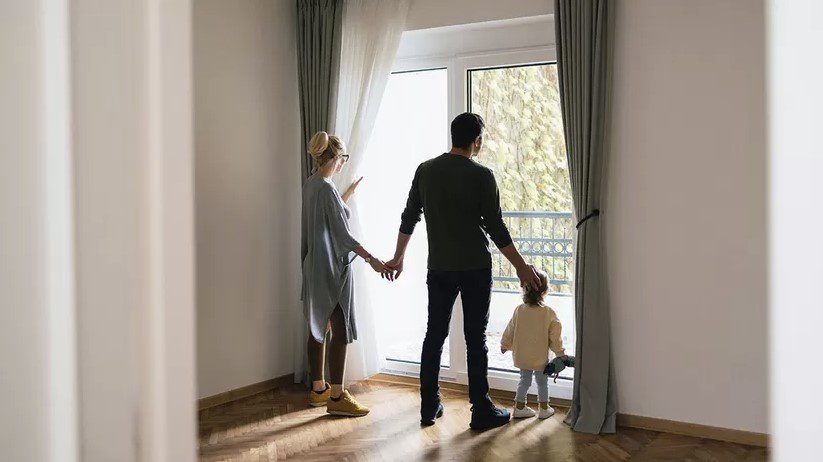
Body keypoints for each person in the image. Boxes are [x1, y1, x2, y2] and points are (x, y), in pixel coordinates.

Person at [386, 112, 541, 430]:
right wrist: (522, 268)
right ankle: (481, 410)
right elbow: (496, 229)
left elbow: (409, 216)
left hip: (439, 268)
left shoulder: (426, 171)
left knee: (434, 336)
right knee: (475, 339)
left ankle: (429, 406)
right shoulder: (482, 176)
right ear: (477, 141)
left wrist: (398, 257)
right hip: (475, 269)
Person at [301, 131, 392, 417]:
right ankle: (338, 397)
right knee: (340, 329)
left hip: (314, 264)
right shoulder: (326, 189)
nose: (343, 163)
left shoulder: (312, 185)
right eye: (343, 158)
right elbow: (344, 236)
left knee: (319, 326)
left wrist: (347, 194)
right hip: (332, 267)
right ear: (335, 158)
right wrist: (373, 260)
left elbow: (326, 215)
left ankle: (318, 390)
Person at [500, 269, 569, 420]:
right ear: (545, 290)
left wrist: (505, 344)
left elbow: (510, 328)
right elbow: (555, 337)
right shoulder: (548, 313)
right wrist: (561, 354)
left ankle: (519, 408)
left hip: (523, 356)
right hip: (540, 358)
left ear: (524, 288)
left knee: (524, 381)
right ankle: (544, 408)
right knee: (542, 383)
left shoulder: (519, 310)